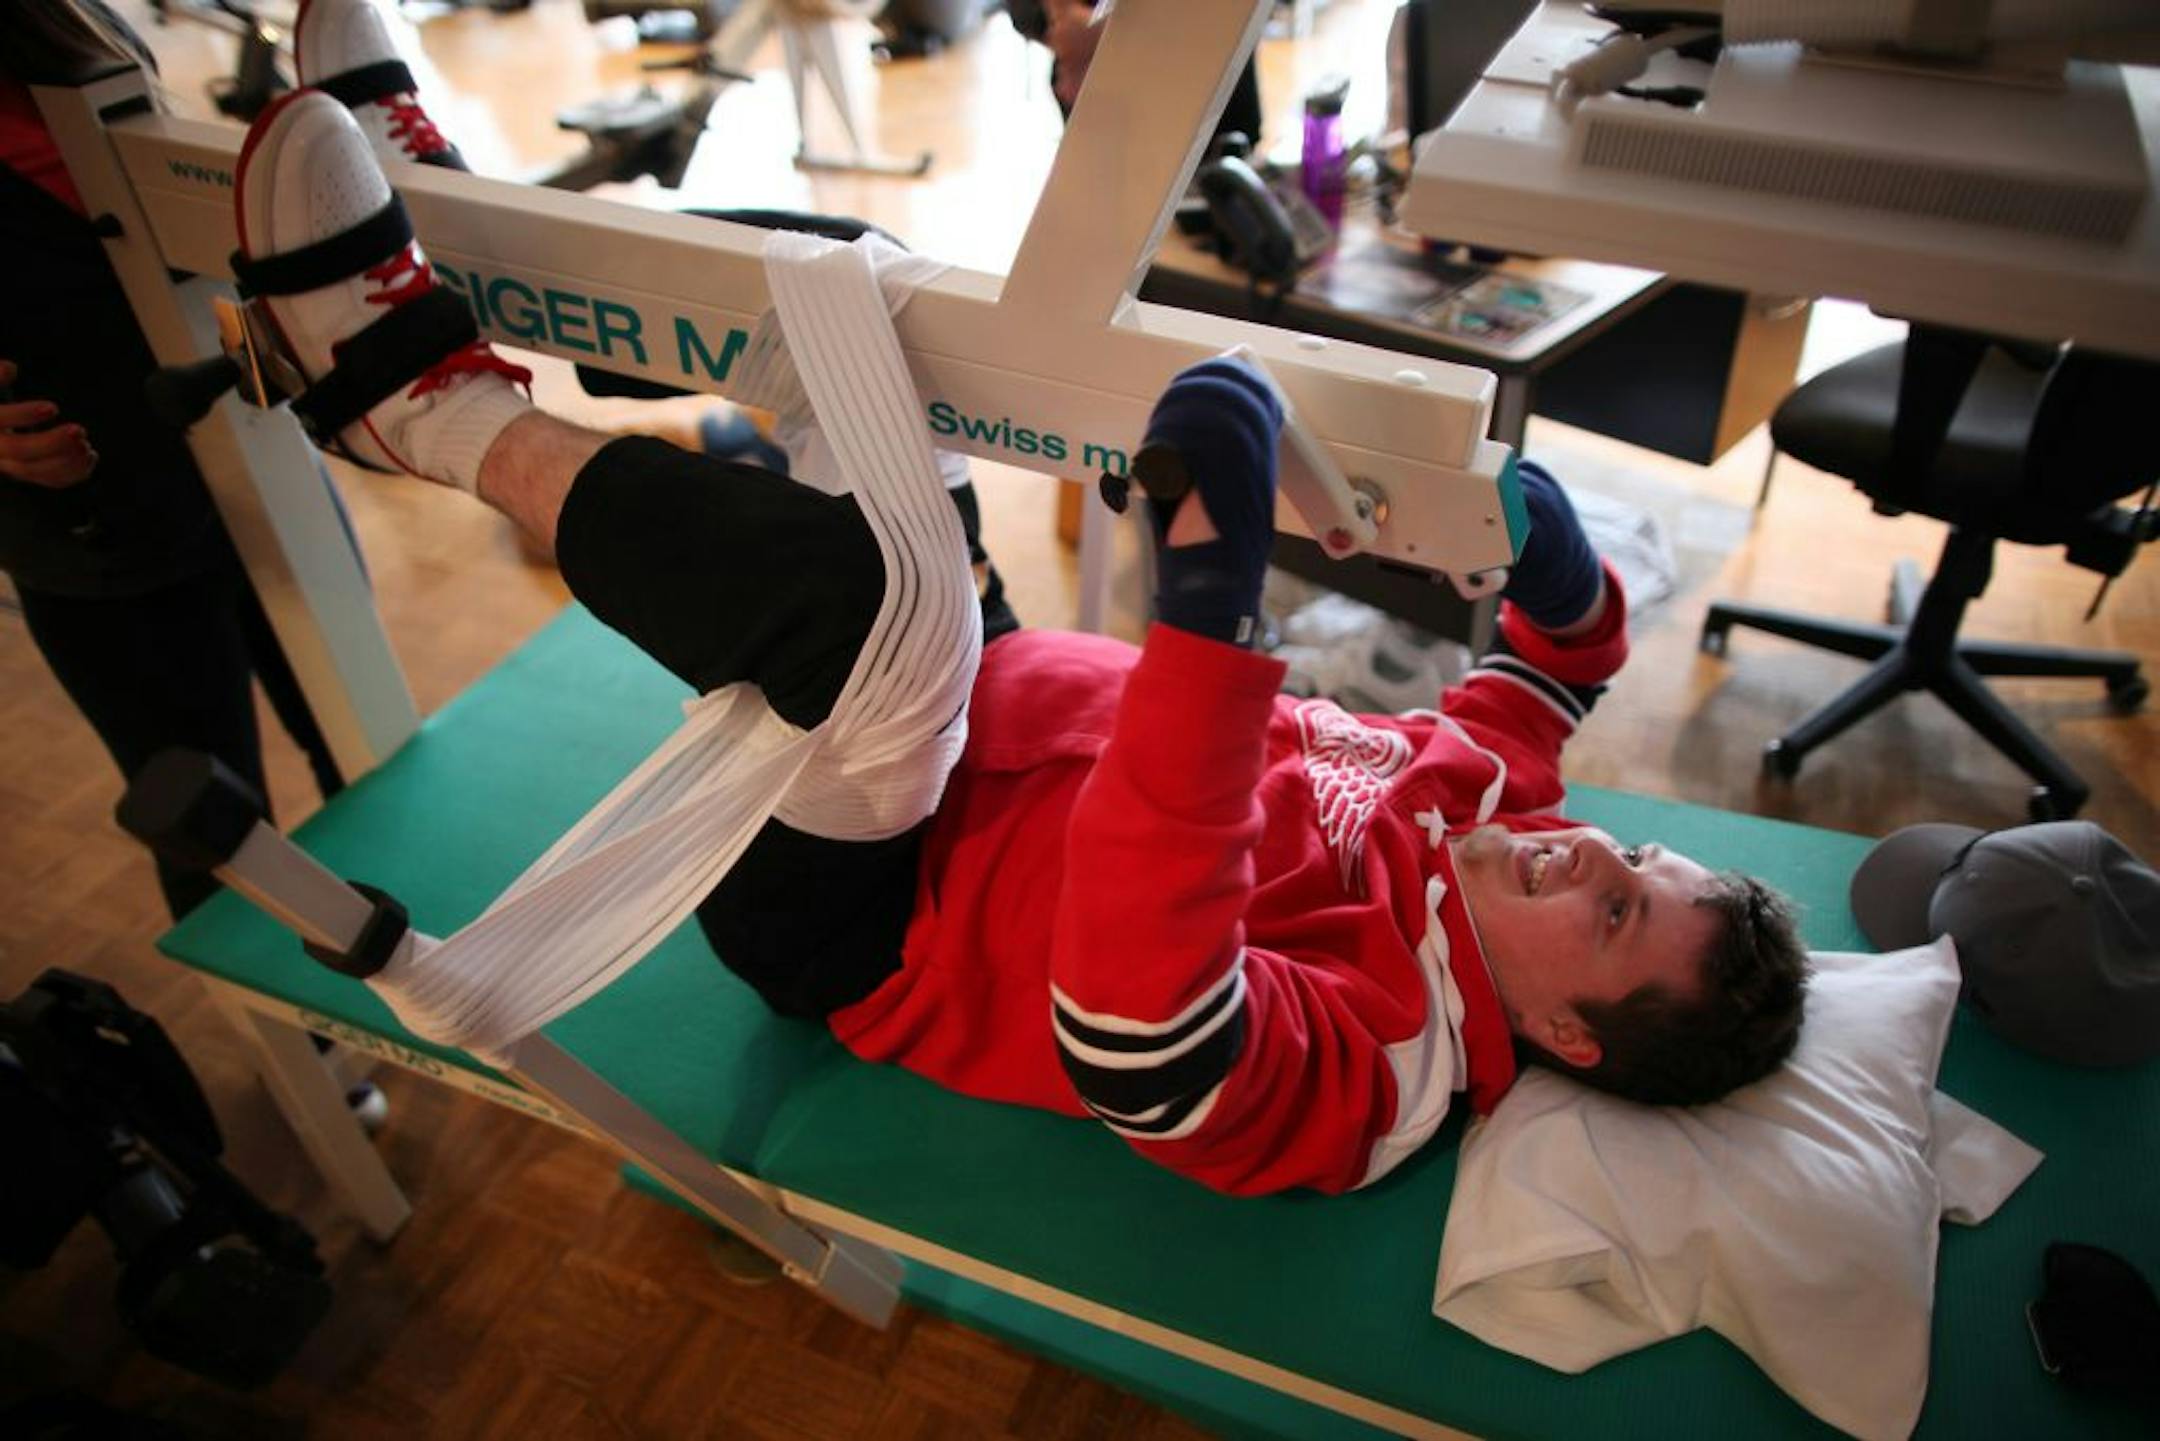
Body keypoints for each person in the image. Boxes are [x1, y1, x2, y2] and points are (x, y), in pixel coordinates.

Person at [219, 6, 1810, 1197]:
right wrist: (1545, 544)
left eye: (1608, 914)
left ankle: (408, 402)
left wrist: (1209, 629)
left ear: (1574, 1037)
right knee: (865, 292)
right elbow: (1567, 659)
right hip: (977, 679)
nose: (1582, 848)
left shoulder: (1386, 1071)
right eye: (1637, 856)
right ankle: (462, 230)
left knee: (862, 624)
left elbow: (1142, 1032)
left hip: (875, 921)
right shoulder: (1494, 795)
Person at [1, 0, 348, 921]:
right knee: (217, 831)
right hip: (99, 539)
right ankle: (303, 1063)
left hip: (252, 452)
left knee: (368, 748)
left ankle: (433, 977)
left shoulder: (68, 28)